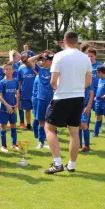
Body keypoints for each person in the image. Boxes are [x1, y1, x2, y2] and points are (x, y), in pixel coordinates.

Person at [44, 31, 92, 174]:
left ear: (64, 41)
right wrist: (76, 87)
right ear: (77, 41)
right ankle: (71, 164)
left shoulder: (59, 56)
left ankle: (57, 162)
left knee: (49, 128)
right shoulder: (85, 58)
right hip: (78, 97)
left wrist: (57, 87)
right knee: (74, 132)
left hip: (62, 97)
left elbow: (53, 81)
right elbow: (88, 82)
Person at [80, 48, 103, 151]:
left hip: (95, 96)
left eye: (91, 56)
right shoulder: (81, 70)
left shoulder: (97, 66)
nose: (89, 58)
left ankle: (96, 131)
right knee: (80, 124)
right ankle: (79, 144)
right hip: (78, 103)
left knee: (97, 113)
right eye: (87, 56)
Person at [0, 62, 19, 153]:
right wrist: (7, 105)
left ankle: (14, 144)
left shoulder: (15, 81)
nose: (9, 71)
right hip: (4, 109)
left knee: (13, 125)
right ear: (4, 71)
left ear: (13, 70)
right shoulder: (2, 82)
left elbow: (17, 94)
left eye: (10, 69)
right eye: (7, 69)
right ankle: (3, 145)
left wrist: (17, 104)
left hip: (13, 108)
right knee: (3, 127)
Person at [34, 51, 54, 149]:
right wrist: (40, 54)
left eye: (45, 60)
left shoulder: (55, 71)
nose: (42, 61)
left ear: (50, 61)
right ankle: (41, 142)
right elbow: (29, 60)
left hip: (52, 101)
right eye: (42, 60)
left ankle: (51, 142)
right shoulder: (40, 70)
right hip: (41, 99)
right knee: (41, 122)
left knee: (52, 123)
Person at [17, 55, 36, 130]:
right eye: (25, 61)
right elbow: (19, 82)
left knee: (36, 109)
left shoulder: (34, 67)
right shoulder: (21, 69)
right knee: (27, 109)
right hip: (25, 92)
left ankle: (37, 124)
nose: (27, 62)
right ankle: (28, 124)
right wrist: (18, 91)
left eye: (28, 60)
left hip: (35, 92)